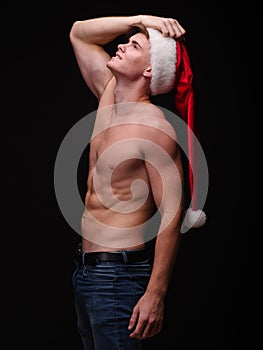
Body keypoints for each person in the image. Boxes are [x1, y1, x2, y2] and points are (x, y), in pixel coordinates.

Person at [69, 14, 197, 350]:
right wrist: (140, 18)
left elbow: (171, 215)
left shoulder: (155, 128)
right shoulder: (107, 95)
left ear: (150, 70)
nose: (122, 44)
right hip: (86, 273)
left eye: (135, 44)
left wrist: (156, 292)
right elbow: (79, 33)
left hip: (118, 279)